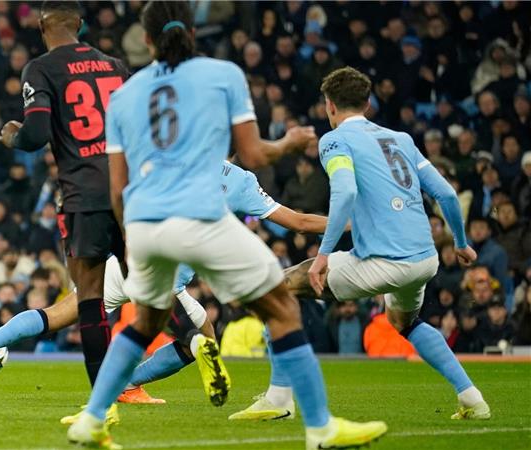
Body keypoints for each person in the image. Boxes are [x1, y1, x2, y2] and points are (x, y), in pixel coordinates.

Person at [64, 3, 384, 448]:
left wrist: (128, 241)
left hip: (144, 223)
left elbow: (117, 185)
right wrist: (289, 144)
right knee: (283, 305)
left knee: (146, 323)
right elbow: (252, 155)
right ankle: (320, 428)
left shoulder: (124, 94)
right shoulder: (223, 75)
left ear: (148, 40)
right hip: (199, 214)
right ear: (193, 32)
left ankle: (93, 418)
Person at [0, 160, 334, 406]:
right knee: (200, 337)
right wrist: (346, 223)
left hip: (128, 260)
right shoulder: (241, 182)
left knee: (60, 313)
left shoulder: (165, 162)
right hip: (167, 277)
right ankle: (133, 379)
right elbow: (298, 222)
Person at [0, 0, 130, 399]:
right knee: (152, 287)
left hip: (84, 194)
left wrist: (14, 135)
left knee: (89, 298)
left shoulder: (41, 68)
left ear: (42, 27)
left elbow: (38, 131)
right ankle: (195, 340)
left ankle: (103, 403)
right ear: (79, 24)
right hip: (130, 191)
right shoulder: (116, 66)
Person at [281, 67, 490, 421]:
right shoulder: (402, 139)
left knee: (280, 287)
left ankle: (277, 398)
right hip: (425, 259)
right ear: (367, 104)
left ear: (329, 106)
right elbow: (447, 194)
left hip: (384, 261)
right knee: (406, 322)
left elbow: (345, 190)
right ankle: (472, 398)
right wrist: (461, 242)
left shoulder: (334, 140)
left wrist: (323, 255)